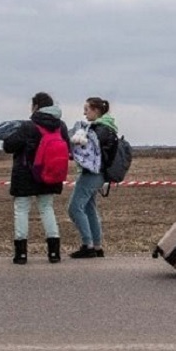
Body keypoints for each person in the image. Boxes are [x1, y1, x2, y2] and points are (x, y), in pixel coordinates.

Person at [2, 92, 70, 264]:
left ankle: (21, 254)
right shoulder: (61, 126)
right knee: (47, 209)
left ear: (36, 107)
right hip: (49, 175)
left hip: (25, 175)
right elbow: (68, 148)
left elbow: (9, 146)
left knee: (22, 210)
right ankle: (54, 253)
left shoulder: (28, 126)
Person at [67, 96, 119, 258]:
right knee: (89, 208)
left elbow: (87, 151)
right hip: (101, 174)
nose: (84, 113)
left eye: (87, 109)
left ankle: (87, 245)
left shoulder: (99, 130)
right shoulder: (108, 128)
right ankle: (97, 246)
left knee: (74, 208)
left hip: (92, 174)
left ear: (96, 111)